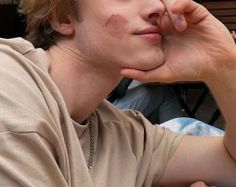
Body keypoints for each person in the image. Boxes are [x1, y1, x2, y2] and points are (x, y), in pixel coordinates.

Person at [0, 1, 235, 187]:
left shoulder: (126, 136)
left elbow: (230, 164)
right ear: (63, 16)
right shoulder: (9, 87)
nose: (158, 7)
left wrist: (224, 66)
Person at [110, 78, 183, 124]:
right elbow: (119, 90)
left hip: (105, 105)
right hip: (105, 111)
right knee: (164, 91)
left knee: (154, 99)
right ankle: (176, 140)